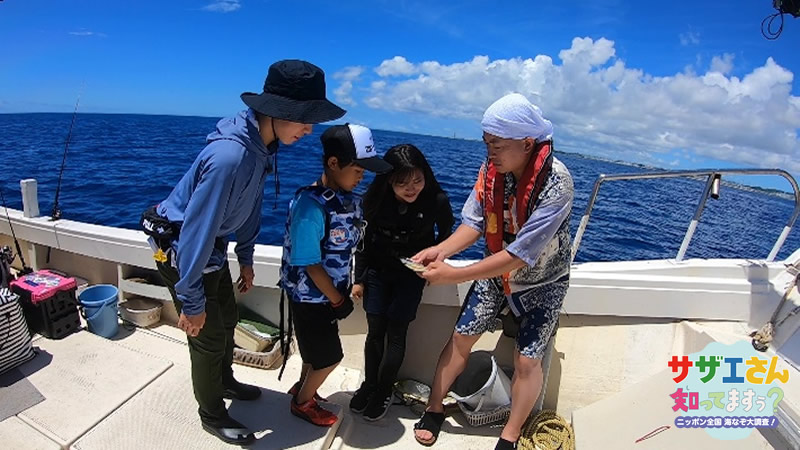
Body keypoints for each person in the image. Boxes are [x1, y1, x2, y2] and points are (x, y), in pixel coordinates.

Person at [141, 60, 345, 446]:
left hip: (210, 248)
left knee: (228, 316)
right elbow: (196, 232)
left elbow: (249, 206)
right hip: (183, 250)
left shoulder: (261, 146)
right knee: (207, 335)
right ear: (278, 112)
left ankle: (224, 381)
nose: (309, 129)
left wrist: (247, 258)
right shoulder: (230, 157)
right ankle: (212, 413)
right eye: (304, 119)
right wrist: (190, 298)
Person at [412, 93, 574, 450]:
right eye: (487, 144)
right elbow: (473, 223)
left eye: (497, 145)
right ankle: (435, 408)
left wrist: (454, 274)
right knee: (460, 339)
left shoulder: (557, 184)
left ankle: (510, 435)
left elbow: (520, 254)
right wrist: (441, 250)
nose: (490, 153)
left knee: (527, 360)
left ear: (527, 143)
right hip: (494, 276)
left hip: (543, 282)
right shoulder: (490, 173)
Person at [279, 124, 392, 427]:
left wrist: (349, 286)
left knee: (314, 352)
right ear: (333, 163)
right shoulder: (310, 206)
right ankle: (302, 403)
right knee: (329, 357)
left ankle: (304, 389)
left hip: (328, 297)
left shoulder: (343, 200)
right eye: (357, 169)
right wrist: (338, 300)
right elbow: (311, 264)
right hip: (312, 299)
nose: (362, 176)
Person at [348, 144, 454, 421]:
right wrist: (359, 280)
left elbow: (446, 234)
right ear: (388, 181)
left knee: (396, 333)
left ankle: (384, 390)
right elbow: (363, 244)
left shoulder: (437, 200)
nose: (411, 188)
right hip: (378, 273)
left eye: (417, 180)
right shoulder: (375, 200)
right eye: (402, 183)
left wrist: (435, 263)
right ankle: (369, 384)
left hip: (411, 275)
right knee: (374, 333)